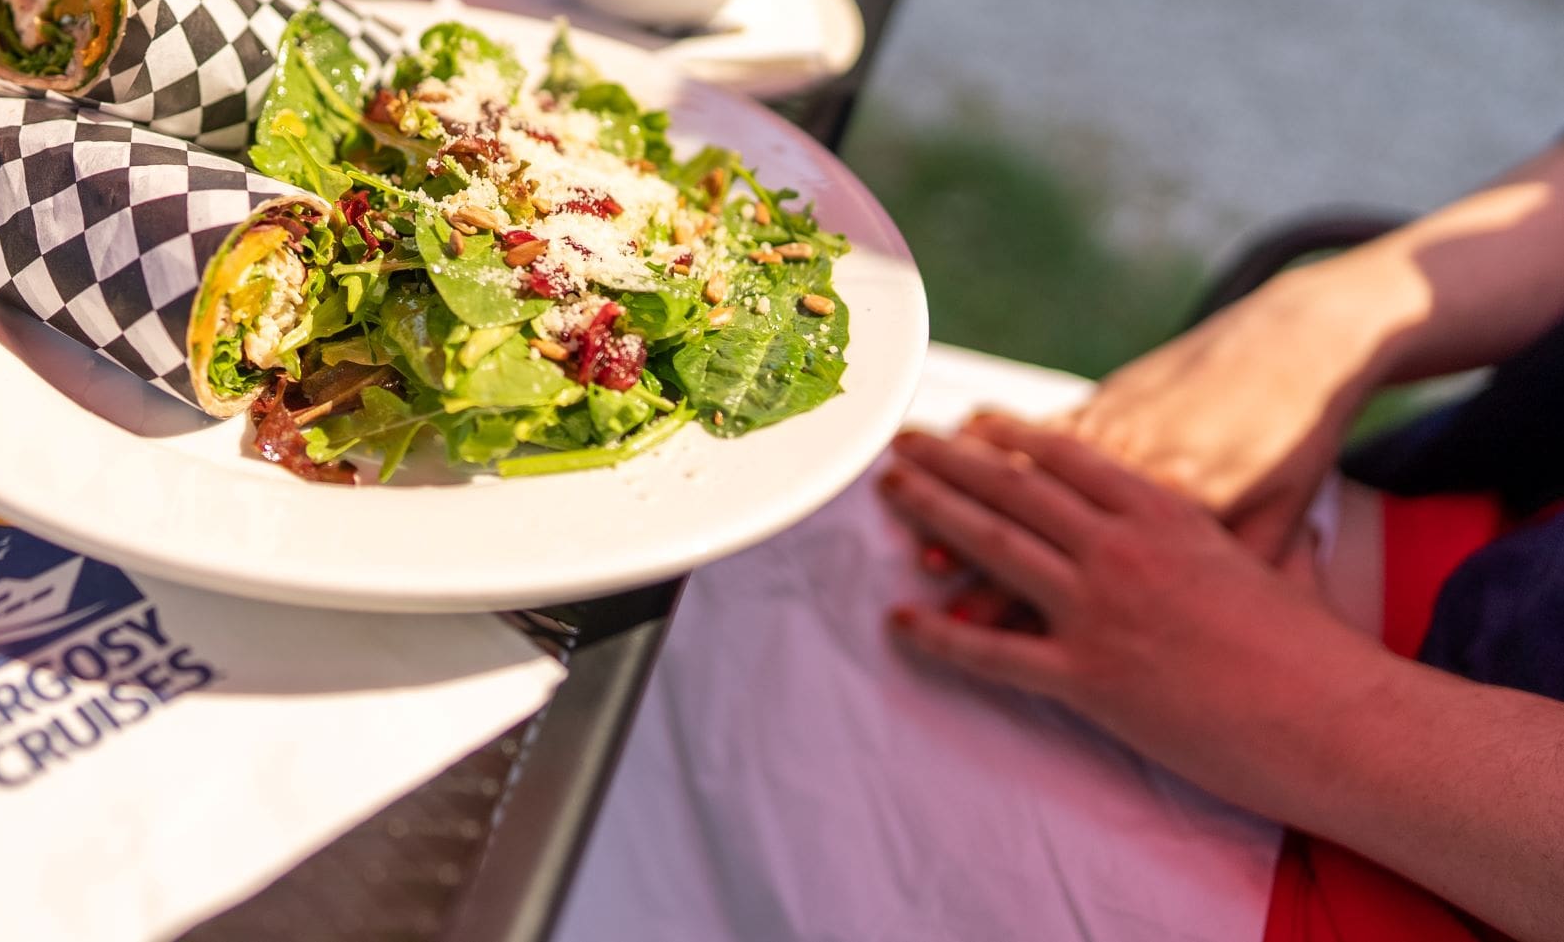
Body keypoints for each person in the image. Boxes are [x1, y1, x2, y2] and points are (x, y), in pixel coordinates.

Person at [557, 143, 1564, 941]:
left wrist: (1323, 705)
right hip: (1466, 581)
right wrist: (1353, 307)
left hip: (1445, 853)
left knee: (684, 628)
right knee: (768, 457)